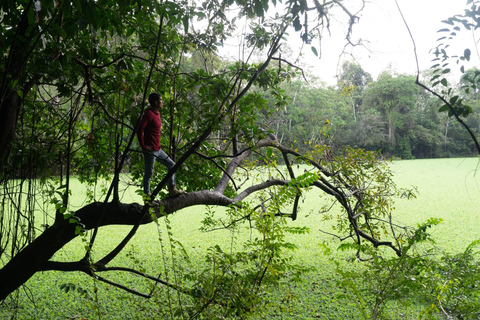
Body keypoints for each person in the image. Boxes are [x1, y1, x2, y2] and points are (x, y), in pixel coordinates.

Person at [137, 92, 185, 198]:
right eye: (161, 100)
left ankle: (172, 189)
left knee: (172, 165)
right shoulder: (148, 114)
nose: (162, 102)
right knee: (149, 173)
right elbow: (140, 129)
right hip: (150, 150)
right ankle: (147, 196)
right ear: (155, 102)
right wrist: (144, 146)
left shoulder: (157, 113)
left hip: (158, 149)